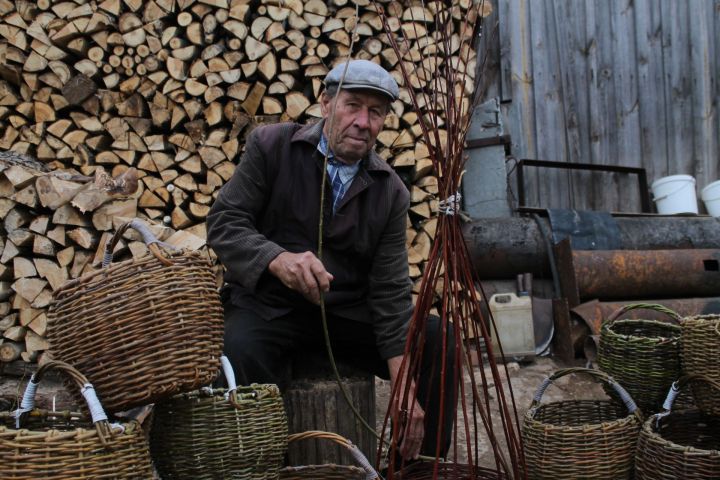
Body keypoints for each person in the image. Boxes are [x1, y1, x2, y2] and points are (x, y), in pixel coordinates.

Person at [206, 59, 454, 462]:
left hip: (344, 317)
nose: (362, 121)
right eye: (353, 105)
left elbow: (390, 293)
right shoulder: (272, 147)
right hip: (270, 308)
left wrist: (404, 386)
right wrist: (277, 259)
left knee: (438, 340)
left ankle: (416, 467)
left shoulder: (390, 190)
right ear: (326, 104)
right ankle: (260, 465)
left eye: (376, 112)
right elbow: (224, 222)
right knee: (237, 351)